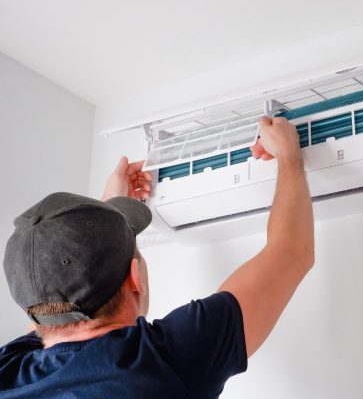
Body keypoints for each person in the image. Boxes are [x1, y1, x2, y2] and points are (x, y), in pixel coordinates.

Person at [0, 117, 314, 398]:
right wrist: (288, 156)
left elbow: (59, 300)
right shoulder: (164, 362)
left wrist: (107, 214)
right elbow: (290, 253)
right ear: (135, 279)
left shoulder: (7, 372)